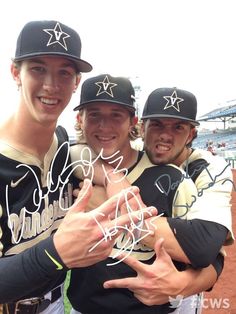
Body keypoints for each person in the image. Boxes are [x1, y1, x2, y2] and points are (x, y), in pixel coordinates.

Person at [0, 22, 155, 314]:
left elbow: (78, 152)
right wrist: (55, 253)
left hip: (56, 303)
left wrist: (111, 176)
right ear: (14, 73)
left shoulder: (61, 145)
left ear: (76, 82)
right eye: (37, 68)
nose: (51, 85)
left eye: (64, 72)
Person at [68, 75, 232, 314]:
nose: (165, 135)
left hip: (175, 292)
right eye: (157, 124)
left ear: (191, 134)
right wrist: (110, 176)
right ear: (141, 127)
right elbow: (74, 151)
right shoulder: (108, 156)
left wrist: (114, 207)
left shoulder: (209, 171)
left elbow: (206, 248)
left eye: (178, 127)